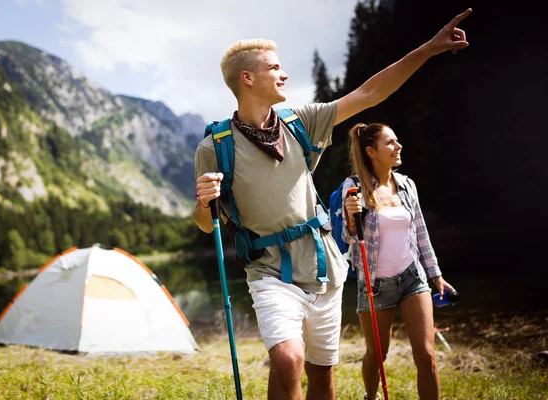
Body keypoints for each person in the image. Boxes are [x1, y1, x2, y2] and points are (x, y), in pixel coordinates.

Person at [193, 8, 471, 400]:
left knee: (322, 378)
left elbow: (370, 92)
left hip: (325, 267)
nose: (284, 73)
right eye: (275, 67)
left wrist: (429, 48)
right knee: (288, 358)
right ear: (248, 78)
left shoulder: (300, 122)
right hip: (269, 270)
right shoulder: (214, 148)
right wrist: (204, 202)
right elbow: (207, 224)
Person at [342, 123, 455, 400]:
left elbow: (420, 232)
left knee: (426, 354)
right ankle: (371, 396)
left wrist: (436, 275)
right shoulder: (354, 186)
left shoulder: (406, 184)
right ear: (371, 151)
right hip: (375, 285)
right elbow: (348, 235)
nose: (398, 146)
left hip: (412, 278)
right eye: (390, 143)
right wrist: (350, 215)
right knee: (378, 354)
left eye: (397, 141)